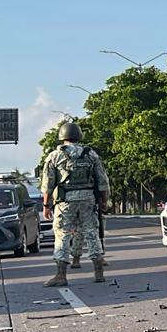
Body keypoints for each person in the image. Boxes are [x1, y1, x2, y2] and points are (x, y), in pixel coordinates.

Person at [40, 122, 110, 287]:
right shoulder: (91, 154)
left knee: (63, 235)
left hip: (65, 201)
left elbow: (48, 184)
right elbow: (103, 181)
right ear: (79, 136)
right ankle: (99, 272)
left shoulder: (55, 156)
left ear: (62, 136)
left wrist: (46, 206)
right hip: (88, 199)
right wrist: (104, 201)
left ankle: (61, 275)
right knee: (92, 233)